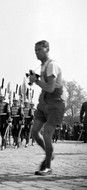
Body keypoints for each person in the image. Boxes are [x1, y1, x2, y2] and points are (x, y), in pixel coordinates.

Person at [29, 40, 65, 176]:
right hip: (43, 103)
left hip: (55, 104)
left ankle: (47, 166)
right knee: (34, 132)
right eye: (35, 50)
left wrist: (36, 81)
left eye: (39, 49)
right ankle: (50, 154)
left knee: (47, 135)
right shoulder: (43, 66)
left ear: (47, 49)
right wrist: (36, 78)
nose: (37, 52)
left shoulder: (52, 65)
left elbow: (50, 88)